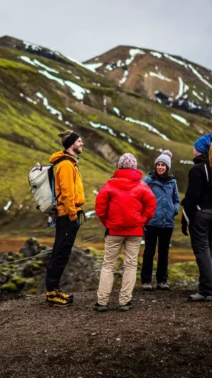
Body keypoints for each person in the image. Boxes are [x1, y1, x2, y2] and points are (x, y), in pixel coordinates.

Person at [94, 153, 156, 312]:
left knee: (108, 265)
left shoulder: (109, 184)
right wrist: (143, 221)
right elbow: (151, 205)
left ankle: (102, 302)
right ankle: (124, 301)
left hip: (114, 231)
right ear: (134, 167)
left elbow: (100, 208)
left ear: (119, 166)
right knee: (130, 265)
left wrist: (107, 223)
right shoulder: (142, 185)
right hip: (135, 232)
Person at [181, 134, 212, 301]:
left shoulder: (198, 169)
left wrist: (186, 218)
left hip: (200, 216)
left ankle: (207, 290)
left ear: (198, 150)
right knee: (211, 250)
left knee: (201, 251)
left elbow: (192, 197)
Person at [45, 130, 86, 307]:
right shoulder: (66, 165)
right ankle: (52, 292)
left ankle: (54, 290)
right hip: (67, 215)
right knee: (60, 253)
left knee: (62, 252)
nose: (82, 143)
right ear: (71, 144)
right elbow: (68, 193)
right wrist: (72, 215)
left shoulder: (68, 163)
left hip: (67, 214)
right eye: (79, 141)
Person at [141, 150, 180, 291]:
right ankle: (146, 281)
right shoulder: (148, 181)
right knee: (149, 251)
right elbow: (141, 199)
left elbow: (176, 200)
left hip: (167, 223)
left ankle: (162, 281)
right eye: (158, 164)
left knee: (164, 252)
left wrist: (173, 210)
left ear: (167, 167)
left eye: (163, 165)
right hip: (151, 222)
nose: (160, 167)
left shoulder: (172, 182)